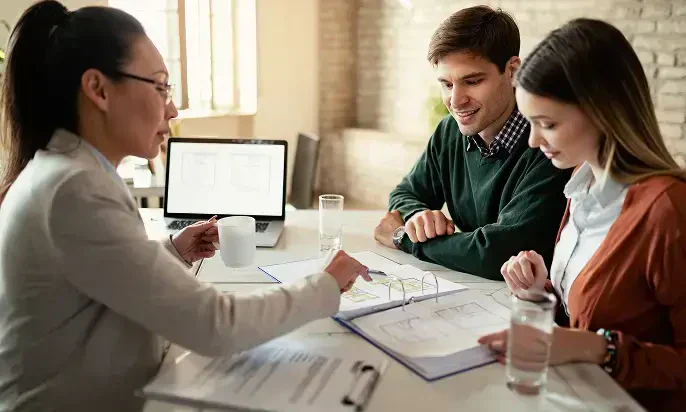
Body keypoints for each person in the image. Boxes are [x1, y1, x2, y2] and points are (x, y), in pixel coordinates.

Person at [0, 2, 370, 411]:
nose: (172, 109)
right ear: (98, 89)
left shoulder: (65, 171)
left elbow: (104, 280)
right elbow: (214, 324)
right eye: (160, 86)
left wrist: (172, 251)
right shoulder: (74, 188)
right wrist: (324, 285)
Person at [477, 18, 686, 411]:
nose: (534, 141)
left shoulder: (668, 211)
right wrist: (544, 296)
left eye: (548, 125)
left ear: (602, 112)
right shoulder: (580, 186)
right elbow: (599, 314)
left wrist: (598, 348)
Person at [373, 6, 571, 280]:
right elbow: (405, 194)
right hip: (469, 294)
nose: (456, 101)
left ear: (512, 70)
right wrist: (419, 218)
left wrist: (404, 238)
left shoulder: (548, 146)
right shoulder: (450, 132)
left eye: (472, 81)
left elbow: (498, 252)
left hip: (523, 303)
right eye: (446, 84)